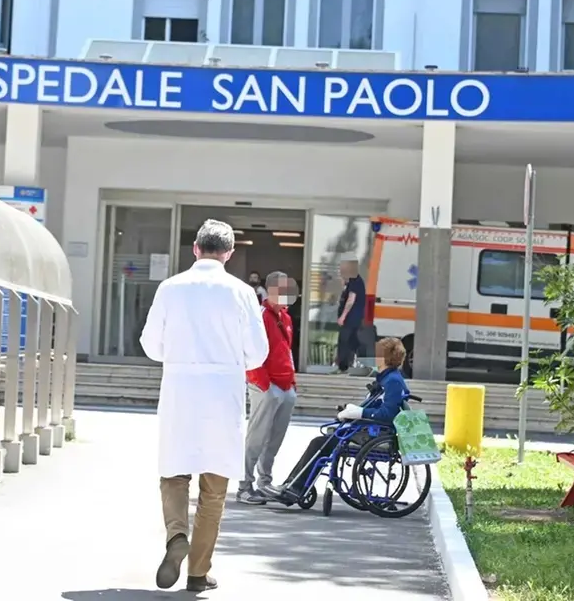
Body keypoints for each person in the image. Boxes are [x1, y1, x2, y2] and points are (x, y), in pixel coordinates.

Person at [140, 219, 269, 593]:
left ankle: (176, 535)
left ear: (195, 249)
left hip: (180, 391)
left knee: (173, 472)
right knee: (214, 486)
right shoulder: (242, 292)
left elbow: (150, 345)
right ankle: (198, 572)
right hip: (223, 394)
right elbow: (258, 352)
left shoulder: (170, 288)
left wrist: (178, 354)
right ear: (229, 253)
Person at [276, 338, 410, 499]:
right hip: (369, 430)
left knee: (320, 443)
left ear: (385, 357)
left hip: (375, 434)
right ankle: (293, 485)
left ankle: (295, 487)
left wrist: (359, 413)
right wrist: (352, 411)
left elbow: (388, 414)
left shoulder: (393, 381)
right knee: (321, 441)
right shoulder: (387, 378)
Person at [238, 271, 298, 505]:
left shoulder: (286, 318)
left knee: (275, 437)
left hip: (284, 385)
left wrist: (291, 383)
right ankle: (245, 485)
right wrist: (264, 384)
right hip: (267, 384)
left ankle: (264, 481)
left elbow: (286, 351)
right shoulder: (261, 316)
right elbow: (249, 349)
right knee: (257, 435)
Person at [334, 252, 367, 373]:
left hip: (351, 318)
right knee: (353, 342)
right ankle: (353, 364)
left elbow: (351, 299)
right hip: (354, 318)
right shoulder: (353, 281)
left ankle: (342, 366)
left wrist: (343, 316)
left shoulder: (355, 281)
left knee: (344, 341)